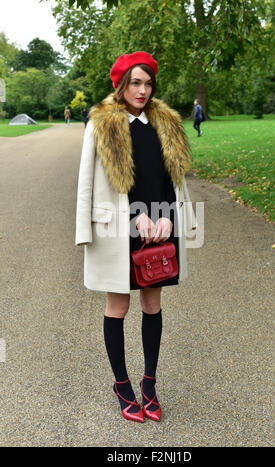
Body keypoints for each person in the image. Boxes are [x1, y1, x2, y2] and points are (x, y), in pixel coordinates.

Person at [75, 51, 197, 423]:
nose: (142, 90)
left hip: (160, 228)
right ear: (121, 85)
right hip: (119, 230)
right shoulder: (101, 124)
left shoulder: (165, 124)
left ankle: (149, 384)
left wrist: (172, 219)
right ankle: (122, 385)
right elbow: (87, 185)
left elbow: (172, 181)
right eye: (135, 83)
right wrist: (130, 218)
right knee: (119, 307)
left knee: (152, 305)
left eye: (147, 83)